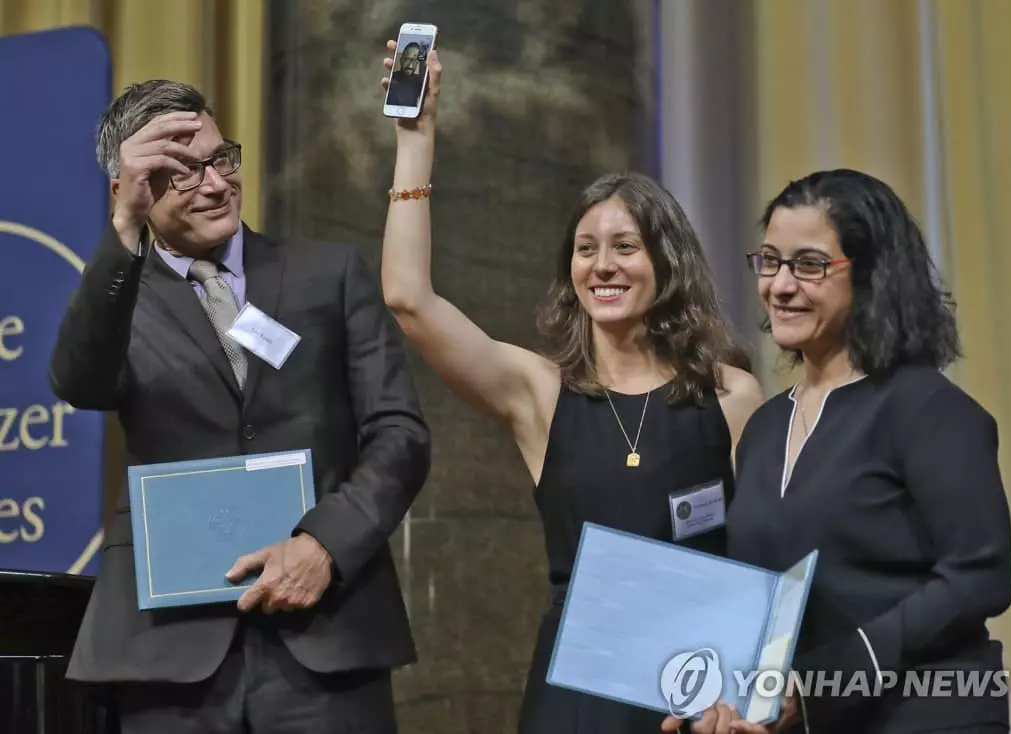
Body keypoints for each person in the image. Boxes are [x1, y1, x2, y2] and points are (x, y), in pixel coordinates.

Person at [377, 42, 764, 733]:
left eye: (625, 246)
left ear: (665, 263)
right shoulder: (541, 392)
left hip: (700, 693)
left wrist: (748, 694)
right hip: (579, 693)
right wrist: (416, 137)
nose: (603, 265)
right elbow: (408, 299)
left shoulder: (731, 394)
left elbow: (761, 554)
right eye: (587, 249)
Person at [48, 79, 431, 734]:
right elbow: (80, 383)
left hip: (326, 637)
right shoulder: (116, 297)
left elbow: (399, 430)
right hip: (169, 651)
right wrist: (123, 234)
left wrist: (325, 543)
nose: (217, 183)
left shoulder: (327, 273)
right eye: (183, 172)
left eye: (221, 157)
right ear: (129, 187)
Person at [664, 169, 1011, 734]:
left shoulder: (927, 408)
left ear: (872, 274)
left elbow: (980, 577)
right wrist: (718, 698)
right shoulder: (765, 428)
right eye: (770, 261)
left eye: (809, 265)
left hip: (929, 714)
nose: (780, 285)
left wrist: (824, 680)